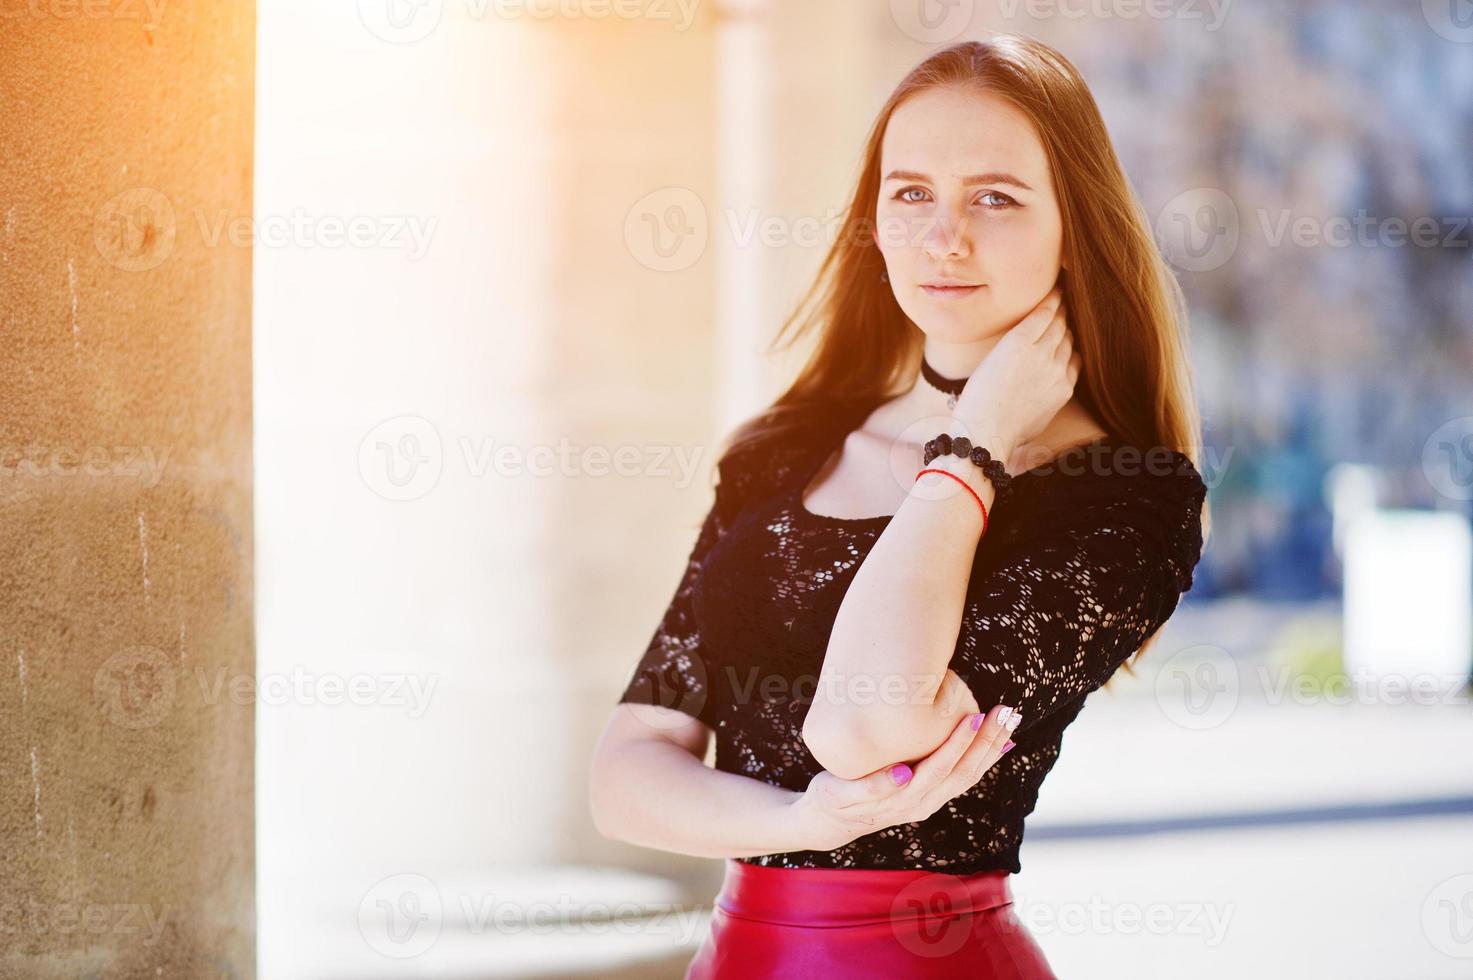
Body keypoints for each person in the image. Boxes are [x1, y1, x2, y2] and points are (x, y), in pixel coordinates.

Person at [589, 33, 1211, 979]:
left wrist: (972, 451)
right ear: (873, 221)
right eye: (910, 192)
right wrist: (796, 820)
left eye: (994, 198)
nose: (942, 236)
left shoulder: (1126, 498)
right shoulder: (783, 449)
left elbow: (865, 728)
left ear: (1074, 230)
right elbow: (625, 775)